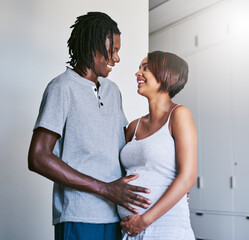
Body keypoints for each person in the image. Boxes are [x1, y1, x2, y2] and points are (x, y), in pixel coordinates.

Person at [28, 12, 151, 240]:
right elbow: (38, 157)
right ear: (91, 48)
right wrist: (106, 189)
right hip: (79, 216)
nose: (117, 59)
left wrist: (168, 184)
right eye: (112, 51)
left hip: (116, 215)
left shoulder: (112, 91)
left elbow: (125, 147)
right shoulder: (61, 88)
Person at [118, 51, 197, 239]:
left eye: (146, 68)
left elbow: (188, 177)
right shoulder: (133, 126)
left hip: (167, 226)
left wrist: (144, 220)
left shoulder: (179, 114)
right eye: (139, 68)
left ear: (166, 75)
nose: (138, 73)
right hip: (131, 229)